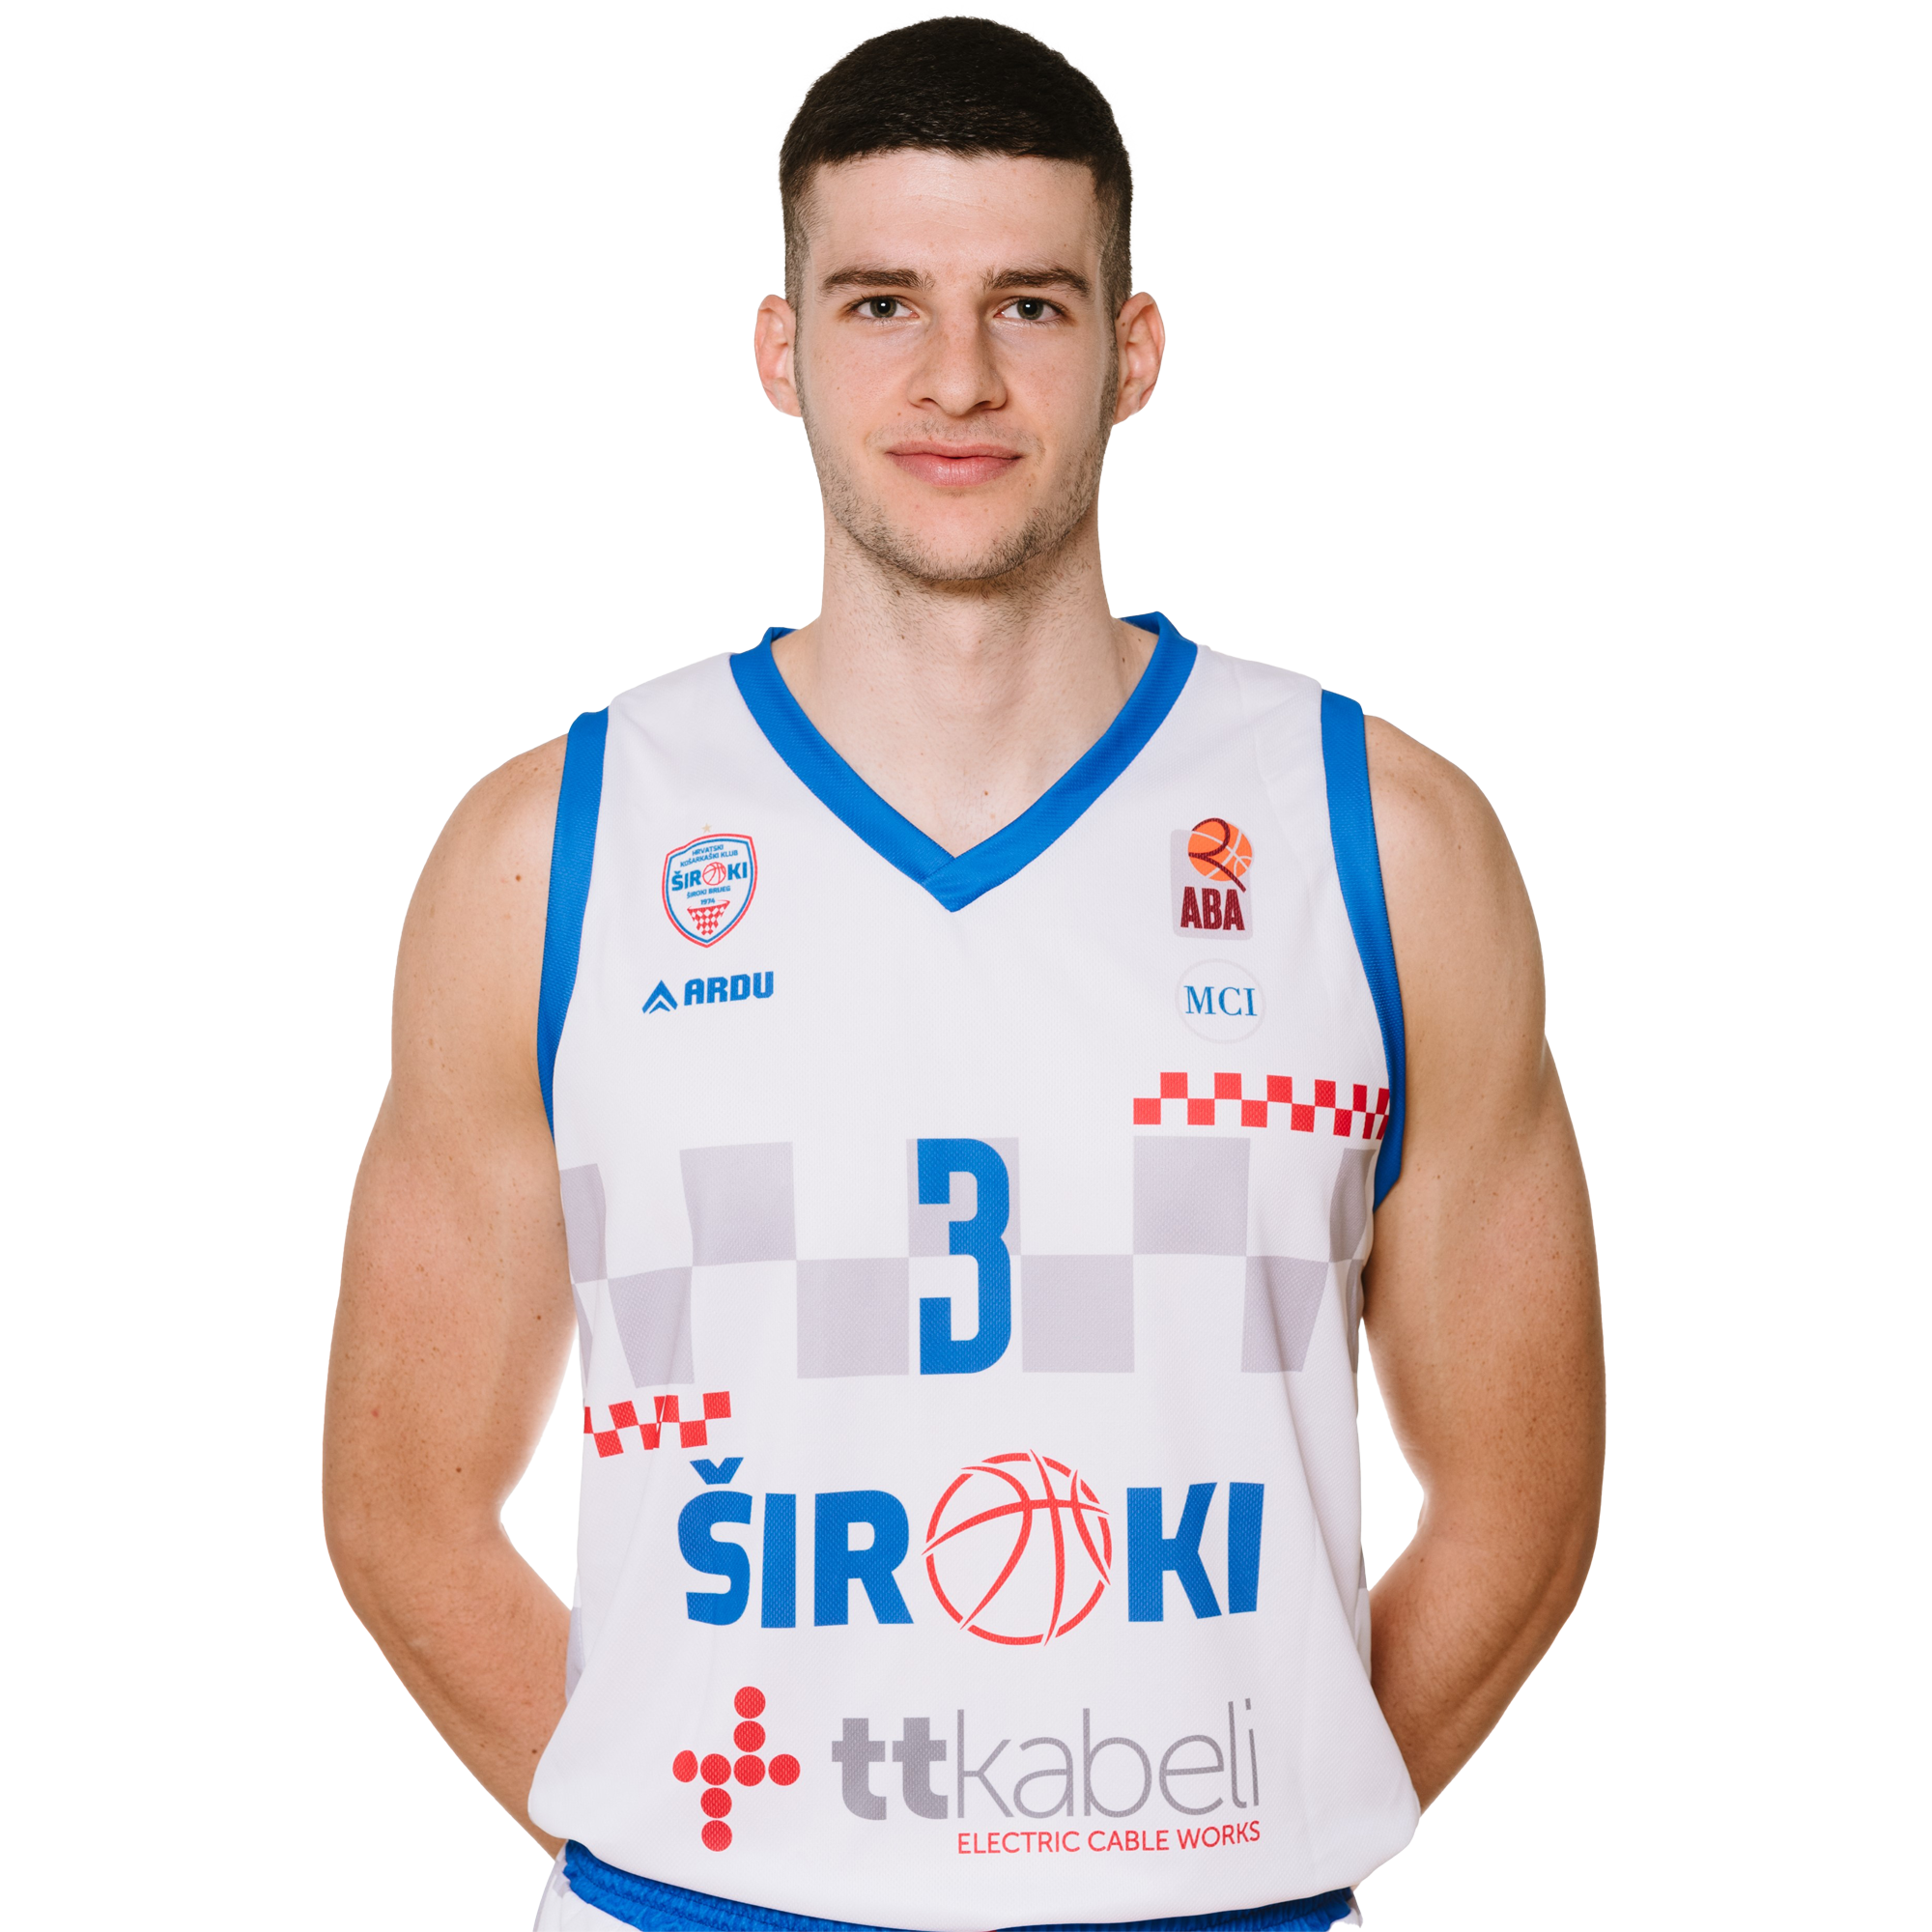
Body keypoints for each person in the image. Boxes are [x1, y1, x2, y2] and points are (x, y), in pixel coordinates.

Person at [324, 16, 1603, 1932]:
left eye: (1028, 304)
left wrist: (1242, 1837)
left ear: (1131, 350)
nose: (956, 376)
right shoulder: (553, 853)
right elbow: (403, 1500)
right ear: (781, 350)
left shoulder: (1381, 841)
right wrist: (706, 1847)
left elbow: (1524, 1497)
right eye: (879, 305)